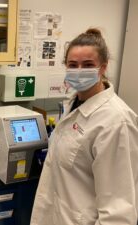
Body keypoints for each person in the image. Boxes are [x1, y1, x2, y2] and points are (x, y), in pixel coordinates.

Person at [30, 28, 138, 225]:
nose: (79, 71)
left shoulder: (116, 122)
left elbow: (118, 212)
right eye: (73, 65)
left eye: (88, 65)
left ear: (102, 68)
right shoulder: (73, 104)